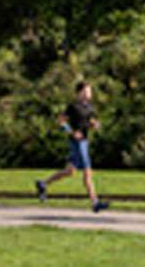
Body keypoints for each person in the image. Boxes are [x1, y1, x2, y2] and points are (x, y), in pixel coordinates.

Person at [34, 81, 110, 213]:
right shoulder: (73, 107)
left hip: (84, 141)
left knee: (70, 171)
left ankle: (43, 183)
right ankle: (95, 202)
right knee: (87, 172)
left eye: (90, 91)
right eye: (87, 91)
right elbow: (61, 121)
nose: (89, 93)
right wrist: (71, 132)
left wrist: (95, 124)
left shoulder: (90, 107)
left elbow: (90, 120)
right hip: (77, 143)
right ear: (79, 93)